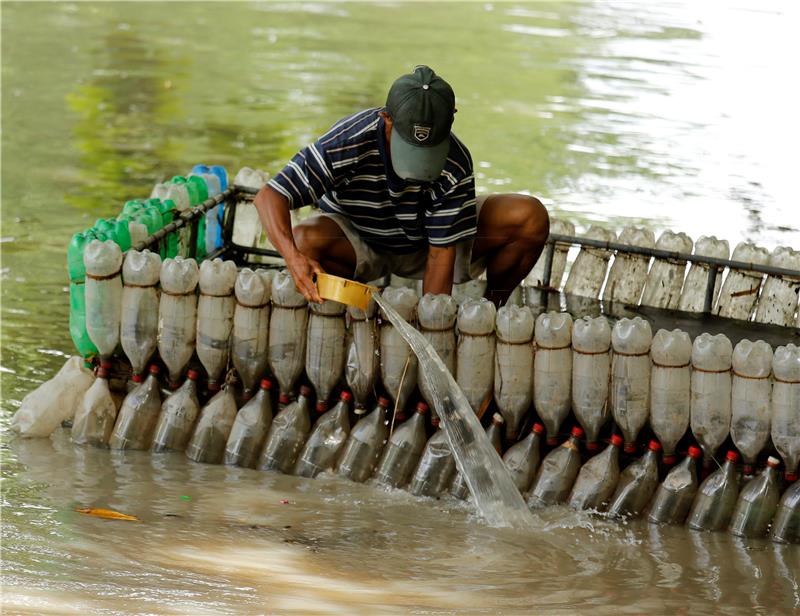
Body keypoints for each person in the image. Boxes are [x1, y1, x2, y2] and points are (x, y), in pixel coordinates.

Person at [254, 65, 549, 306]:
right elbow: (271, 195)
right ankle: (344, 308)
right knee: (304, 241)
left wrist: (430, 323)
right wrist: (293, 259)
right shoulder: (348, 140)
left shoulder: (455, 162)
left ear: (451, 119)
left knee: (529, 217)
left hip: (425, 245)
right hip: (357, 241)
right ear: (386, 118)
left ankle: (492, 309)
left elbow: (440, 253)